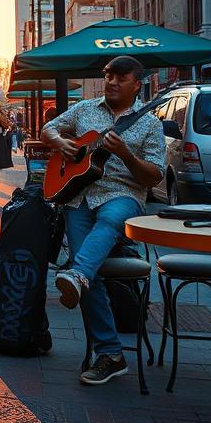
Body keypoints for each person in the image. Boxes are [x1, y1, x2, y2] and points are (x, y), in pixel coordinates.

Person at [39, 56, 165, 387]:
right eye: (108, 76)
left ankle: (77, 275)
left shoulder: (149, 124)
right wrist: (60, 143)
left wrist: (126, 155)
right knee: (88, 270)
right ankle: (111, 354)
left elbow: (154, 176)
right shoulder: (85, 110)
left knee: (105, 226)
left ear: (137, 84)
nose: (111, 82)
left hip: (122, 195)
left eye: (120, 78)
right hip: (79, 197)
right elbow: (48, 128)